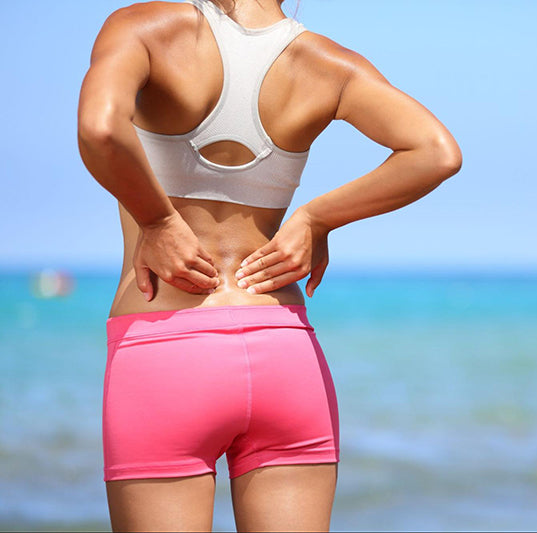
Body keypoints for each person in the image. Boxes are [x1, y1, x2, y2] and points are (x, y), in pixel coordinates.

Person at [77, 0, 461, 530]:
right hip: (285, 352)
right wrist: (317, 218)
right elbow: (436, 151)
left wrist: (158, 222)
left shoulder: (144, 28)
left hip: (167, 346)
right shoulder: (327, 62)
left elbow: (99, 130)